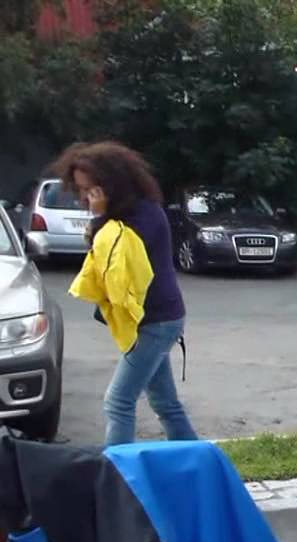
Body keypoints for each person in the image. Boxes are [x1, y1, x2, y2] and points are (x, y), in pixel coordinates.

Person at [52, 141, 198, 447]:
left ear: (111, 184)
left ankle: (118, 477)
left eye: (90, 189)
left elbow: (116, 259)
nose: (85, 197)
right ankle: (192, 461)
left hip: (157, 322)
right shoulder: (122, 216)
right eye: (81, 190)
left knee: (117, 401)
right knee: (165, 403)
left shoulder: (145, 215)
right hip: (150, 320)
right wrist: (101, 218)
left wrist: (100, 216)